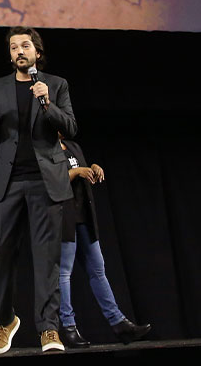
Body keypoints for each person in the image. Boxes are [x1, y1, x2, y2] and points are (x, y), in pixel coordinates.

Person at [0, 27, 76, 355]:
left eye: (25, 45)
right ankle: (4, 323)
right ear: (10, 55)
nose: (19, 51)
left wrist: (47, 103)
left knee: (46, 259)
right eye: (14, 47)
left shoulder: (56, 85)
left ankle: (48, 328)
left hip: (46, 182)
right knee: (2, 254)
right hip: (9, 182)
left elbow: (70, 127)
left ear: (37, 52)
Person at [56, 136, 152, 347]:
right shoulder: (43, 148)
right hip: (64, 218)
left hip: (84, 217)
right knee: (64, 273)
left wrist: (92, 167)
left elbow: (81, 168)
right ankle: (68, 327)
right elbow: (51, 181)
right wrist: (76, 172)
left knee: (98, 270)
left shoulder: (73, 146)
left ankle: (119, 324)